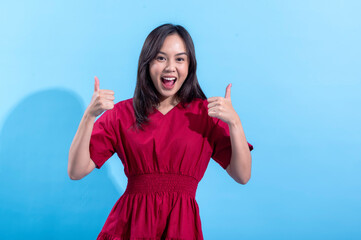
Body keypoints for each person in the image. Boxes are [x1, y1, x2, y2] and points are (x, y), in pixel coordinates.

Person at [68, 23, 254, 240]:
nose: (170, 67)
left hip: (181, 227)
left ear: (190, 65)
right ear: (147, 63)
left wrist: (235, 123)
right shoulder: (122, 114)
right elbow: (76, 171)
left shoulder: (205, 114)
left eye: (180, 59)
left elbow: (242, 175)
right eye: (161, 58)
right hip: (129, 227)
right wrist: (89, 116)